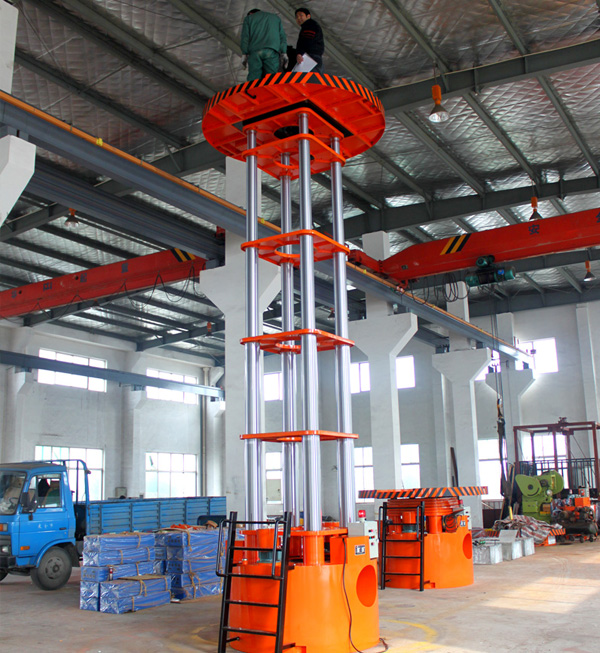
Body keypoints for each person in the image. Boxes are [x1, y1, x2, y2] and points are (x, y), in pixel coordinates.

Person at [241, 8, 288, 81]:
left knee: (254, 79)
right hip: (271, 50)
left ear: (251, 14)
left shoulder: (248, 19)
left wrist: (244, 53)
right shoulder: (275, 18)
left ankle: (254, 88)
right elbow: (282, 37)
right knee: (272, 79)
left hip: (254, 51)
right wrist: (284, 52)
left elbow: (245, 37)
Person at [295, 7, 324, 72]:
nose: (298, 18)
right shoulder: (311, 25)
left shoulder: (309, 25)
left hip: (310, 58)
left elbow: (306, 40)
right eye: (297, 17)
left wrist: (300, 53)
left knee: (307, 77)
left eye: (301, 15)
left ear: (308, 16)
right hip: (315, 58)